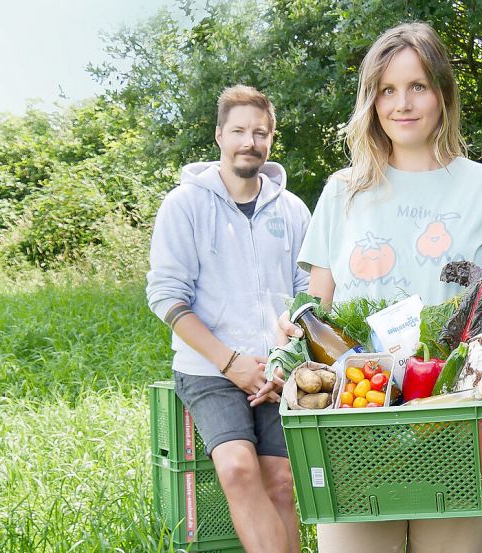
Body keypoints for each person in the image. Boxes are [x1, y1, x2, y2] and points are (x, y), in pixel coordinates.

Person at [280, 22, 482, 553]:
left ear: (442, 94)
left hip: (458, 423)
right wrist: (291, 330)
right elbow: (316, 312)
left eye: (418, 86)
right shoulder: (342, 192)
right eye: (387, 90)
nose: (403, 103)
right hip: (357, 424)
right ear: (371, 102)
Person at [145, 85, 309, 553]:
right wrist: (230, 362)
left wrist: (283, 360)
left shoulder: (293, 209)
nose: (249, 142)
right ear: (219, 135)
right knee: (238, 468)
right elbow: (166, 297)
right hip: (209, 367)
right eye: (238, 131)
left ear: (271, 141)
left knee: (280, 481)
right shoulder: (184, 204)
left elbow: (307, 296)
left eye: (260, 133)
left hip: (278, 369)